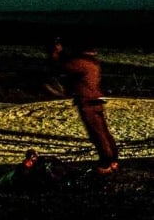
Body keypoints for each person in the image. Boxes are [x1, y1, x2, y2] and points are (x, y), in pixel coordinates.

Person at [47, 38, 120, 174]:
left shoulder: (82, 62)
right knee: (103, 132)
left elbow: (62, 66)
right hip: (94, 100)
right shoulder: (92, 61)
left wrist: (57, 53)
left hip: (87, 102)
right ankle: (113, 160)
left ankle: (106, 163)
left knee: (97, 134)